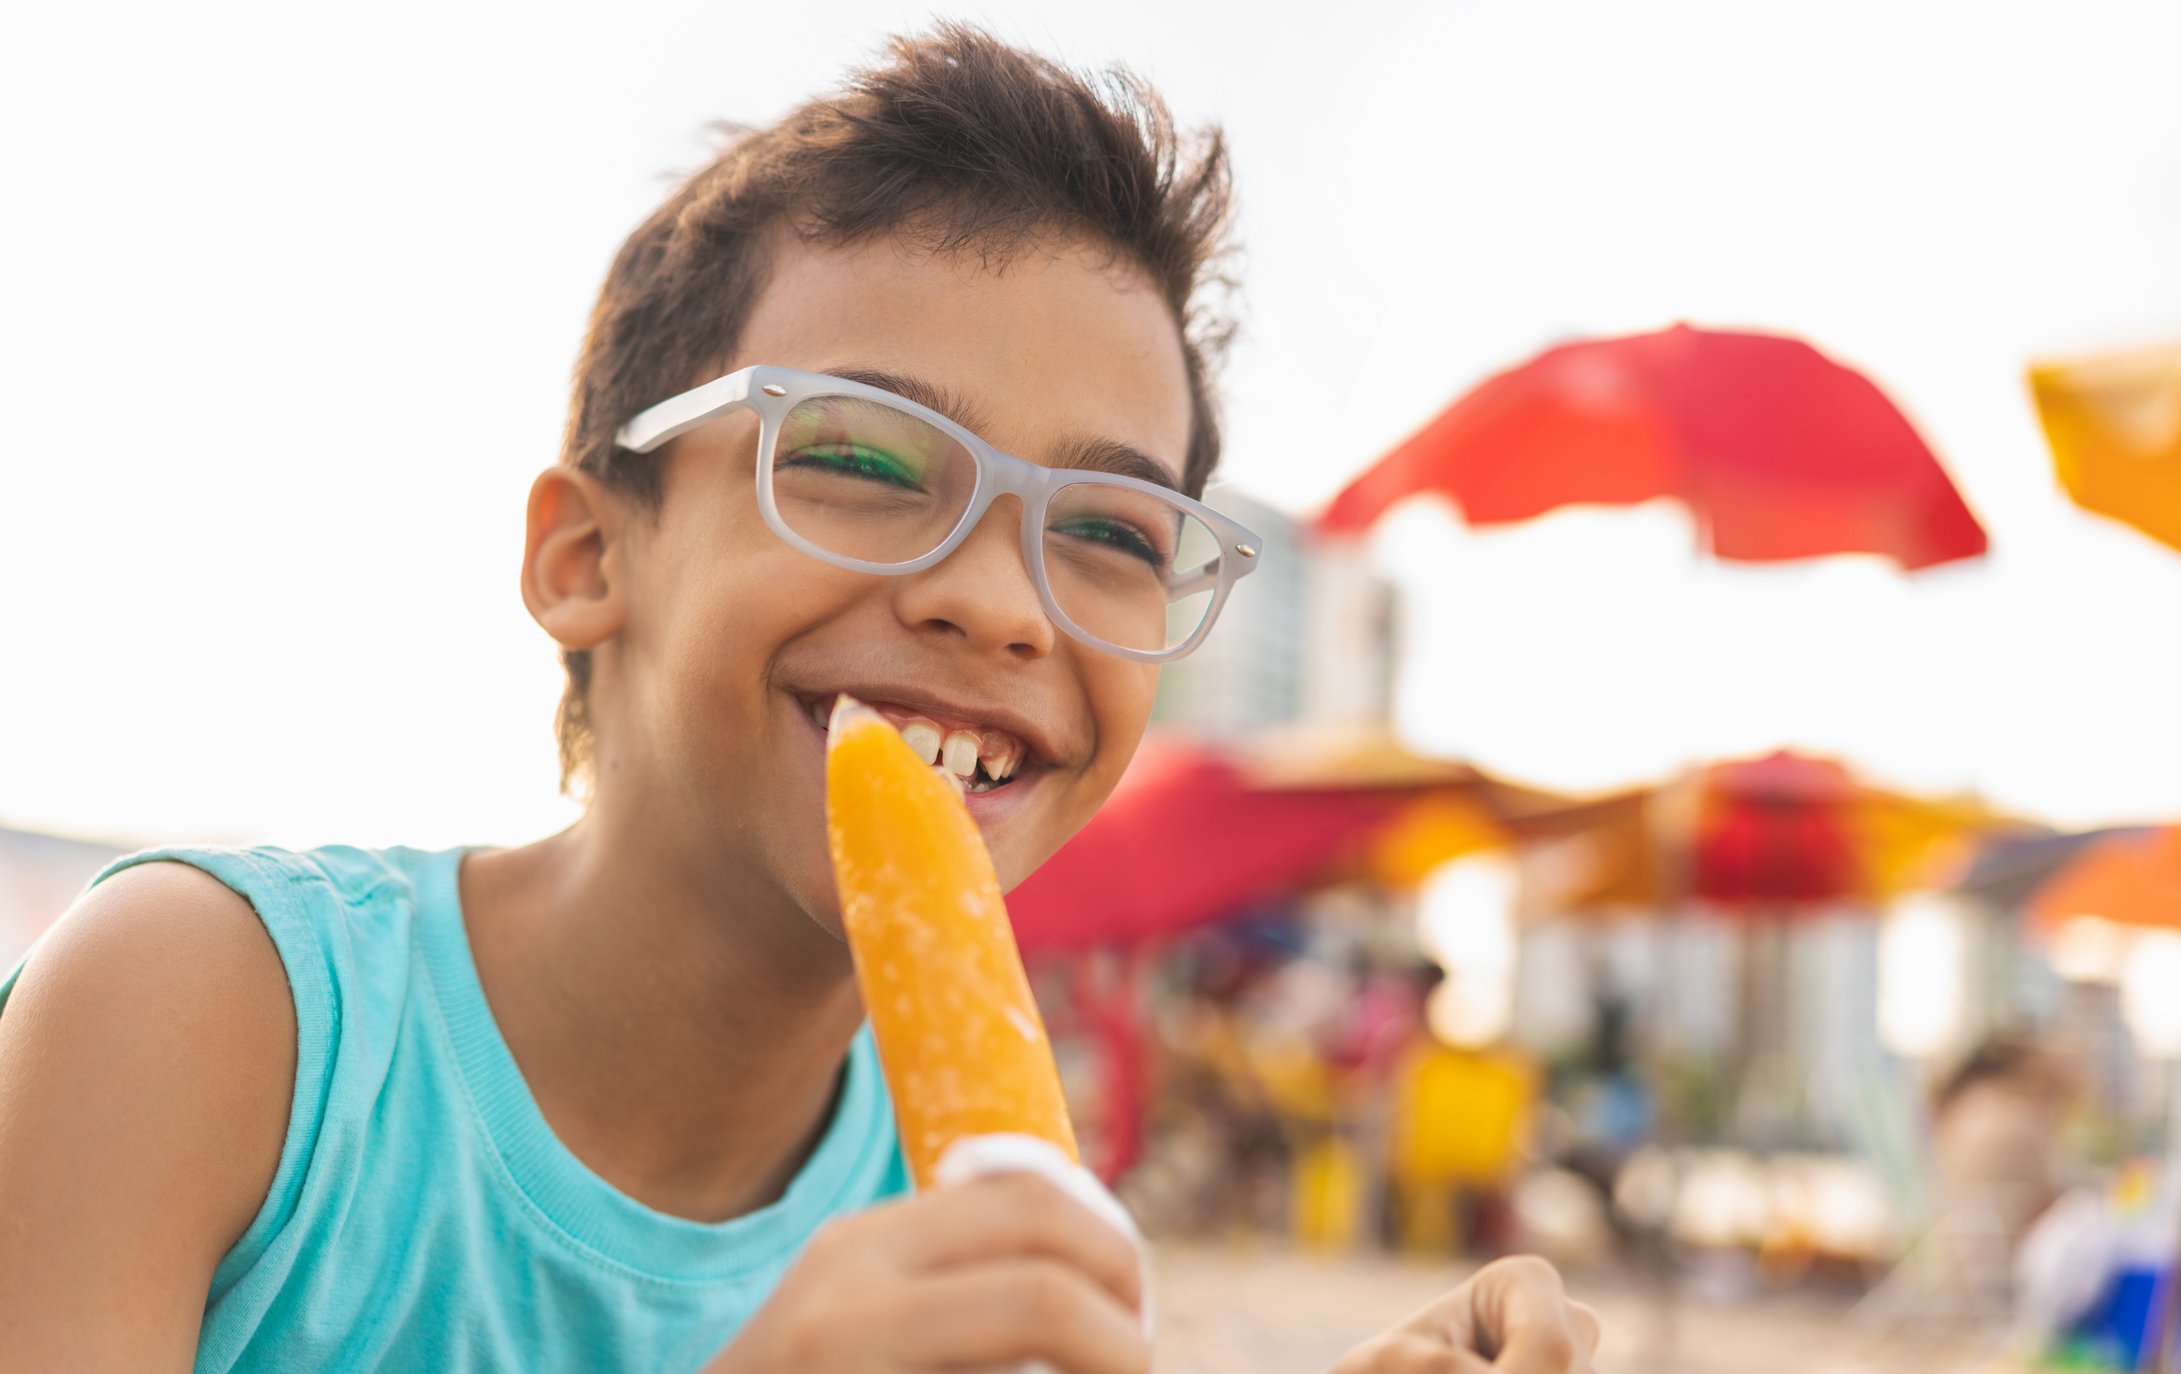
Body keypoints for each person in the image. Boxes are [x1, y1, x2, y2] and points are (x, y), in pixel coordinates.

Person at [0, 26, 1601, 1373]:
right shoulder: (222, 1019)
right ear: (581, 556)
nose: (995, 594)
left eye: (1110, 532)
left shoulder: (976, 1192)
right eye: (851, 455)